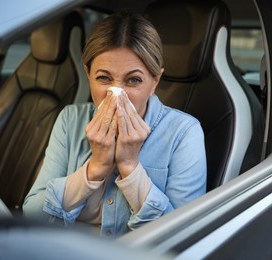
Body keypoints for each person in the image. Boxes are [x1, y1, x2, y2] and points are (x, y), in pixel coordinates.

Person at [23, 11, 206, 239]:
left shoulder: (184, 133)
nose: (116, 95)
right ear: (88, 74)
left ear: (155, 82)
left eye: (134, 80)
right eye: (103, 78)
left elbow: (183, 236)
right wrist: (95, 168)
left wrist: (129, 166)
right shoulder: (69, 120)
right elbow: (31, 215)